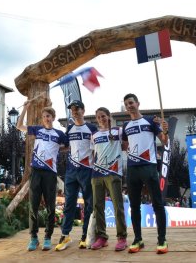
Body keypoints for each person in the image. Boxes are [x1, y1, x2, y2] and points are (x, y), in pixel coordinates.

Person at [17, 100, 69, 252]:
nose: (47, 118)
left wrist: (57, 150)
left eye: (49, 116)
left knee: (50, 206)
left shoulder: (59, 134)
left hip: (50, 173)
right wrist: (25, 108)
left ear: (53, 117)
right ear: (42, 118)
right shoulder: (37, 130)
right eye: (45, 116)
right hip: (36, 172)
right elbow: (19, 126)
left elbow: (67, 146)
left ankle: (47, 238)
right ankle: (34, 238)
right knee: (33, 206)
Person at [122, 93, 169, 254]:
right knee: (134, 206)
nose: (129, 106)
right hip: (132, 168)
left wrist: (165, 131)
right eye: (126, 104)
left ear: (138, 103)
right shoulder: (126, 125)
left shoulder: (150, 121)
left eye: (131, 103)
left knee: (157, 203)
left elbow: (164, 141)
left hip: (149, 166)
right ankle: (138, 239)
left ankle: (162, 239)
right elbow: (124, 145)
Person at [55, 100, 97, 251]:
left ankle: (86, 235)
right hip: (71, 171)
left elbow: (96, 149)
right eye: (72, 110)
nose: (75, 112)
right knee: (69, 204)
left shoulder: (92, 128)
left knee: (89, 204)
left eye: (77, 109)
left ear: (83, 111)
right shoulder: (70, 128)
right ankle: (65, 235)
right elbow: (65, 147)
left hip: (87, 170)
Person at [88, 107, 128, 251]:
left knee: (118, 205)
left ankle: (122, 237)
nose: (101, 119)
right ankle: (102, 237)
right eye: (98, 117)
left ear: (109, 116)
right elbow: (93, 153)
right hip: (97, 173)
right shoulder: (94, 135)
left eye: (103, 116)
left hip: (113, 172)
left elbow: (125, 146)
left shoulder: (119, 131)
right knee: (98, 206)